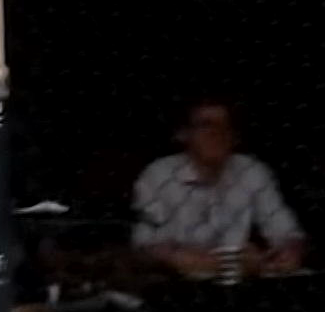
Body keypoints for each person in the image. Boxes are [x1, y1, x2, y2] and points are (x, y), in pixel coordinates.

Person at [131, 98, 306, 280]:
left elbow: (287, 233)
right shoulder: (158, 175)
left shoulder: (252, 170)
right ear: (183, 134)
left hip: (239, 282)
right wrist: (190, 259)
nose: (217, 133)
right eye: (206, 125)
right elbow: (144, 246)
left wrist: (290, 252)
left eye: (226, 126)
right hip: (177, 284)